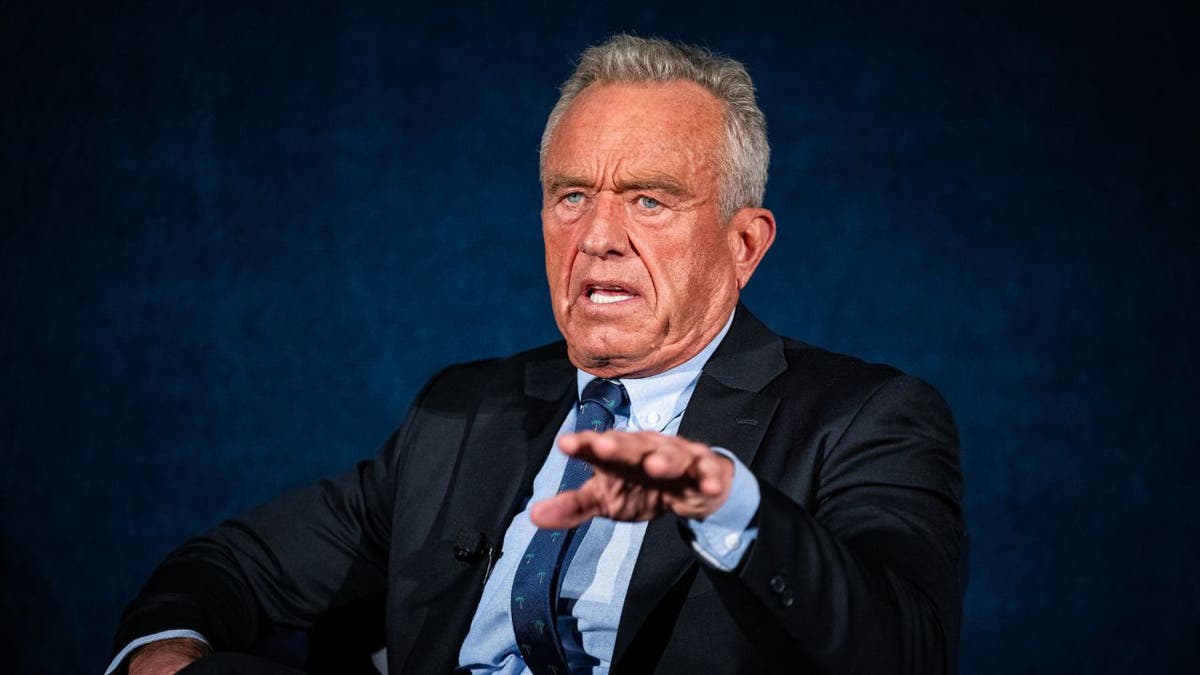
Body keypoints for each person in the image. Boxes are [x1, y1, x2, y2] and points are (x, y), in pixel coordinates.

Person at [109, 34, 965, 675]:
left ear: (744, 244)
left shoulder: (866, 417)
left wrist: (727, 502)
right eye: (572, 196)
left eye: (650, 200)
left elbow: (907, 647)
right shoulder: (460, 411)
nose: (598, 237)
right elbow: (236, 566)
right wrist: (163, 649)